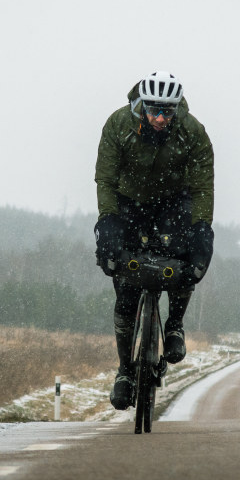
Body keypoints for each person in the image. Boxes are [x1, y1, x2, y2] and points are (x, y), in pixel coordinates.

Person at [94, 71, 214, 410]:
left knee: (184, 257)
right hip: (129, 201)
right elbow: (105, 178)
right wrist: (107, 220)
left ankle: (174, 324)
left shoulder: (193, 133)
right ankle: (124, 372)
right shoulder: (118, 125)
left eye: (168, 112)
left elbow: (203, 186)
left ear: (177, 110)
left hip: (173, 202)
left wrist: (203, 228)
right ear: (141, 105)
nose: (160, 118)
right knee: (126, 287)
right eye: (154, 110)